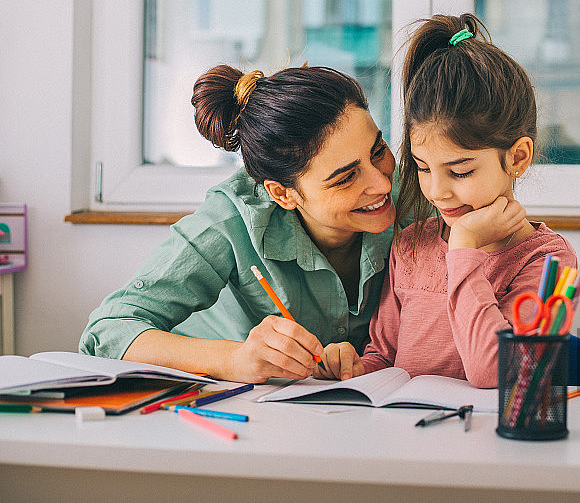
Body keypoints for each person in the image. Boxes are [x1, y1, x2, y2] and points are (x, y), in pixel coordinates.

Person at [79, 64, 397, 384]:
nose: (383, 184)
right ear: (282, 194)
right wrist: (235, 359)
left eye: (378, 150)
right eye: (346, 178)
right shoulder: (231, 218)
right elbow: (106, 332)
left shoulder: (419, 194)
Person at [316, 13, 577, 388]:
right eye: (423, 168)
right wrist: (350, 367)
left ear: (517, 157)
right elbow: (383, 356)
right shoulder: (410, 245)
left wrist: (464, 249)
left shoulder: (547, 260)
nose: (437, 192)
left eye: (460, 172)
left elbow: (496, 372)